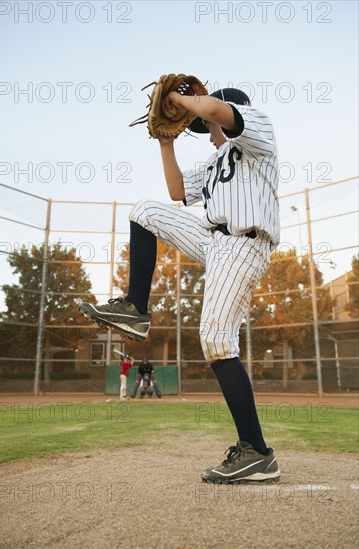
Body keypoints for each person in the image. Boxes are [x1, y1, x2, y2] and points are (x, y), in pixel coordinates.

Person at [79, 86, 281, 484]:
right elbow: (175, 191)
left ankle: (257, 452)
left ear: (231, 110)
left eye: (209, 120)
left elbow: (213, 107)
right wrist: (166, 143)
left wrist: (180, 101)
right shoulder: (215, 162)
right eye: (206, 123)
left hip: (245, 244)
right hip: (212, 238)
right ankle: (135, 311)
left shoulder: (259, 131)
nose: (208, 125)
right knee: (144, 211)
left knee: (216, 340)